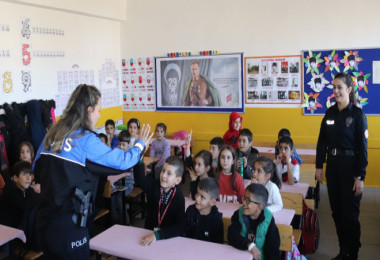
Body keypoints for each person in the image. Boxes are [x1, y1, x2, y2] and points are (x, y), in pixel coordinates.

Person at [33, 84, 152, 259]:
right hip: (70, 228)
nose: (99, 115)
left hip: (45, 223)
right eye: (98, 110)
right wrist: (140, 145)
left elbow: (37, 172)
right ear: (89, 110)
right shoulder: (85, 140)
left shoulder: (52, 135)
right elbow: (123, 162)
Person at [315, 72, 368, 260]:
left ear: (349, 89)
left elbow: (363, 148)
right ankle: (343, 250)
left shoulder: (357, 115)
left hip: (350, 169)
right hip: (333, 167)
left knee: (350, 215)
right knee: (337, 212)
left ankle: (352, 253)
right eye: (334, 87)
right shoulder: (329, 113)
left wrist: (360, 176)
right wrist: (319, 165)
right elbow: (322, 141)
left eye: (340, 87)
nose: (336, 91)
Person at [134, 156, 185, 246]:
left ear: (177, 180)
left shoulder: (179, 198)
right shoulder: (154, 186)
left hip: (167, 238)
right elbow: (140, 181)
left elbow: (179, 227)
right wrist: (139, 159)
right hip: (148, 233)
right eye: (163, 170)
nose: (163, 175)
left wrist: (158, 235)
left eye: (169, 173)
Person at [228, 183, 280, 260]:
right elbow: (232, 235)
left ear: (260, 207)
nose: (244, 203)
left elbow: (272, 252)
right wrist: (249, 245)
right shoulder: (239, 214)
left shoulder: (268, 223)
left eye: (248, 200)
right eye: (244, 198)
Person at [2, 161, 40, 250]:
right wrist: (41, 196)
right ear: (15, 178)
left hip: (19, 228)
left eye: (30, 175)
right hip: (6, 230)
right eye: (24, 175)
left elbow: (36, 199)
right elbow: (24, 205)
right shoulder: (9, 191)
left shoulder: (28, 190)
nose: (28, 178)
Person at [185, 178, 223, 244]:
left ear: (212, 202)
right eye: (197, 193)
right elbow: (184, 235)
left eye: (202, 197)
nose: (197, 198)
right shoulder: (190, 211)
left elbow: (217, 244)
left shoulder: (216, 219)